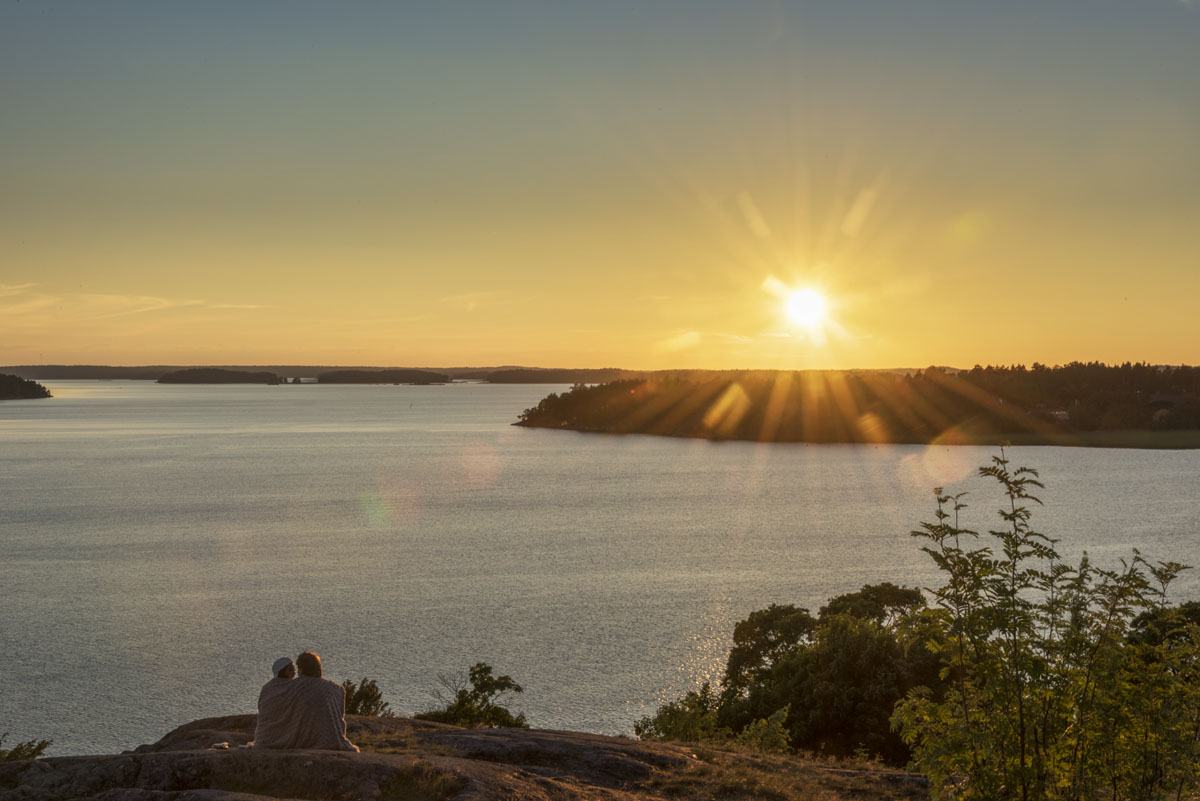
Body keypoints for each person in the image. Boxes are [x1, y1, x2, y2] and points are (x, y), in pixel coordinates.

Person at [250, 652, 359, 752]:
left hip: (275, 738)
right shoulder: (336, 690)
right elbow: (339, 716)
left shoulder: (283, 688)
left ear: (301, 669)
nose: (295, 672)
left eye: (296, 668)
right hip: (331, 738)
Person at [251, 656, 297, 749]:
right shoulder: (294, 686)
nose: (294, 671)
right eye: (291, 669)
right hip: (281, 734)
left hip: (262, 736)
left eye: (294, 668)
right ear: (283, 671)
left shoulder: (267, 687)